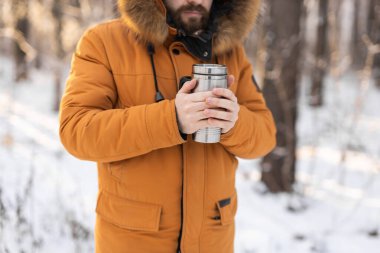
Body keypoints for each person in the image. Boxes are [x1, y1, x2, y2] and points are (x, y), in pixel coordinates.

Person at [59, 0, 276, 252]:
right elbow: (75, 130)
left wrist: (234, 123)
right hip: (133, 242)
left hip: (213, 242)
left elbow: (265, 135)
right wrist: (171, 119)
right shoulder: (104, 42)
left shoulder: (231, 51)